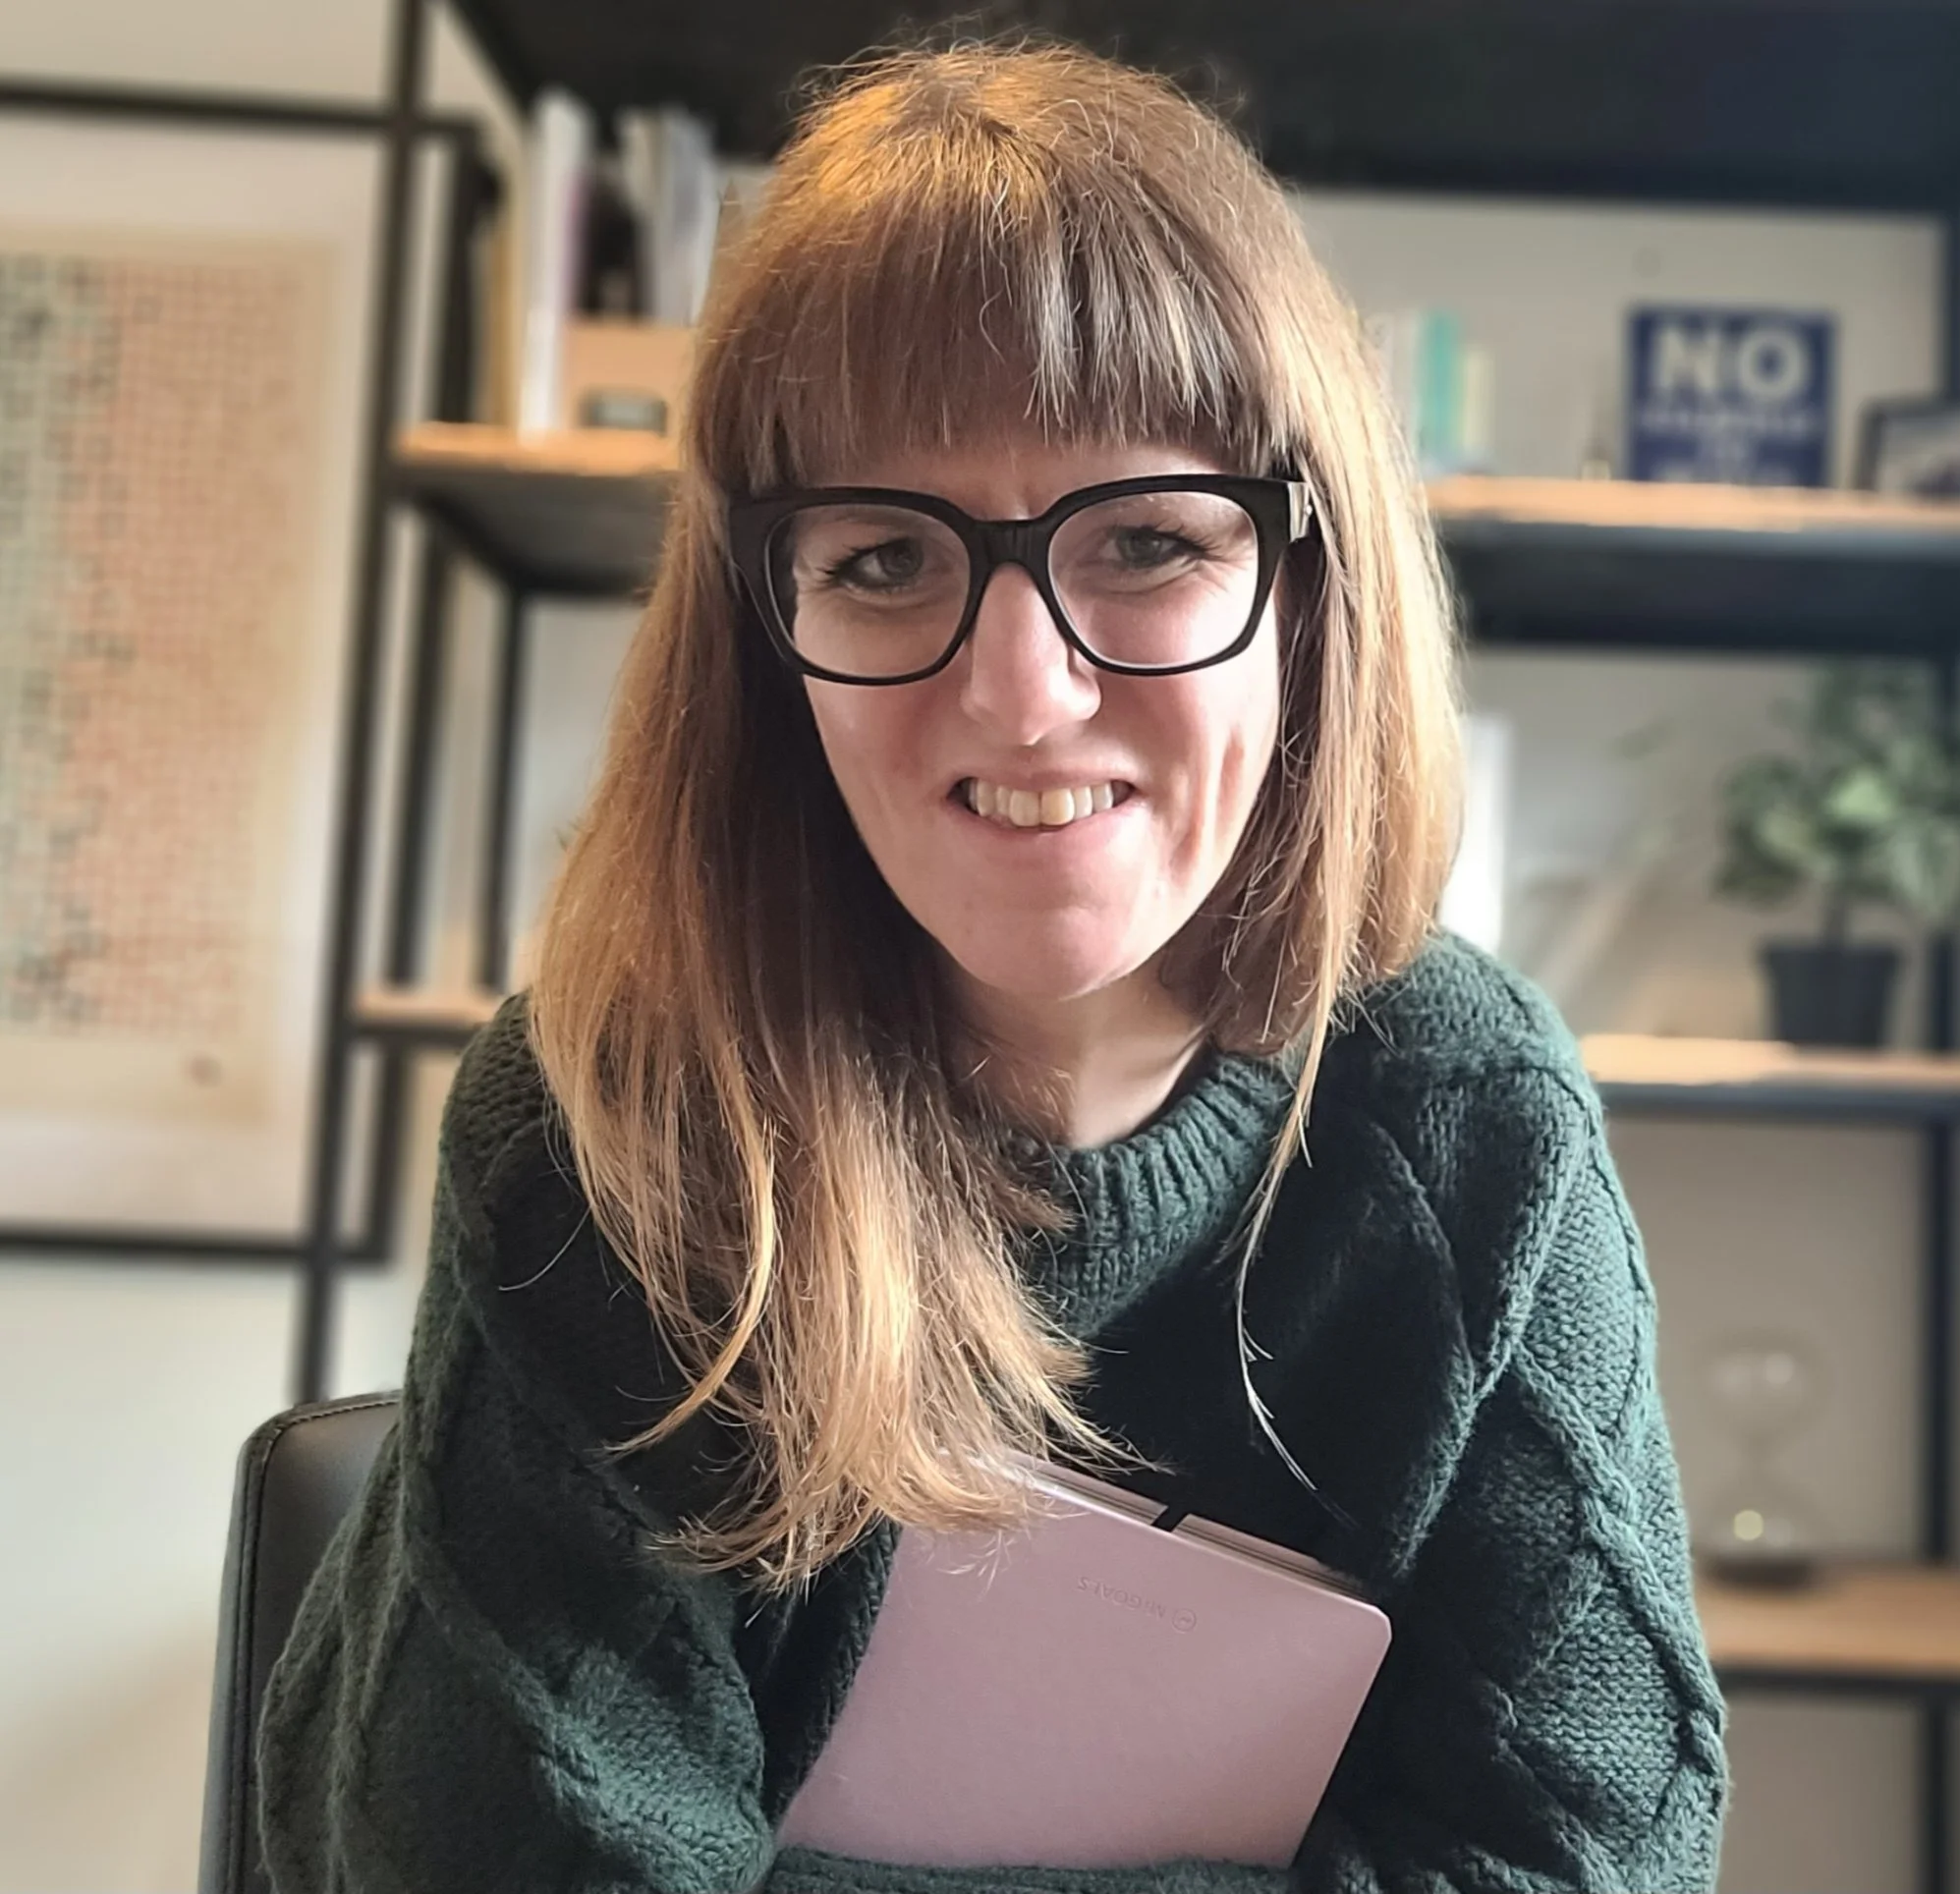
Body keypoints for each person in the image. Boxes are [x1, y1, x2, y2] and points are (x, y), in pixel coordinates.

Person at [258, 41, 1728, 1894]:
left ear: (1304, 593)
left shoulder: (1470, 1119)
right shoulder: (615, 1123)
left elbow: (1588, 1856)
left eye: (1145, 543)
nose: (1023, 692)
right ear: (762, 640)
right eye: (882, 555)